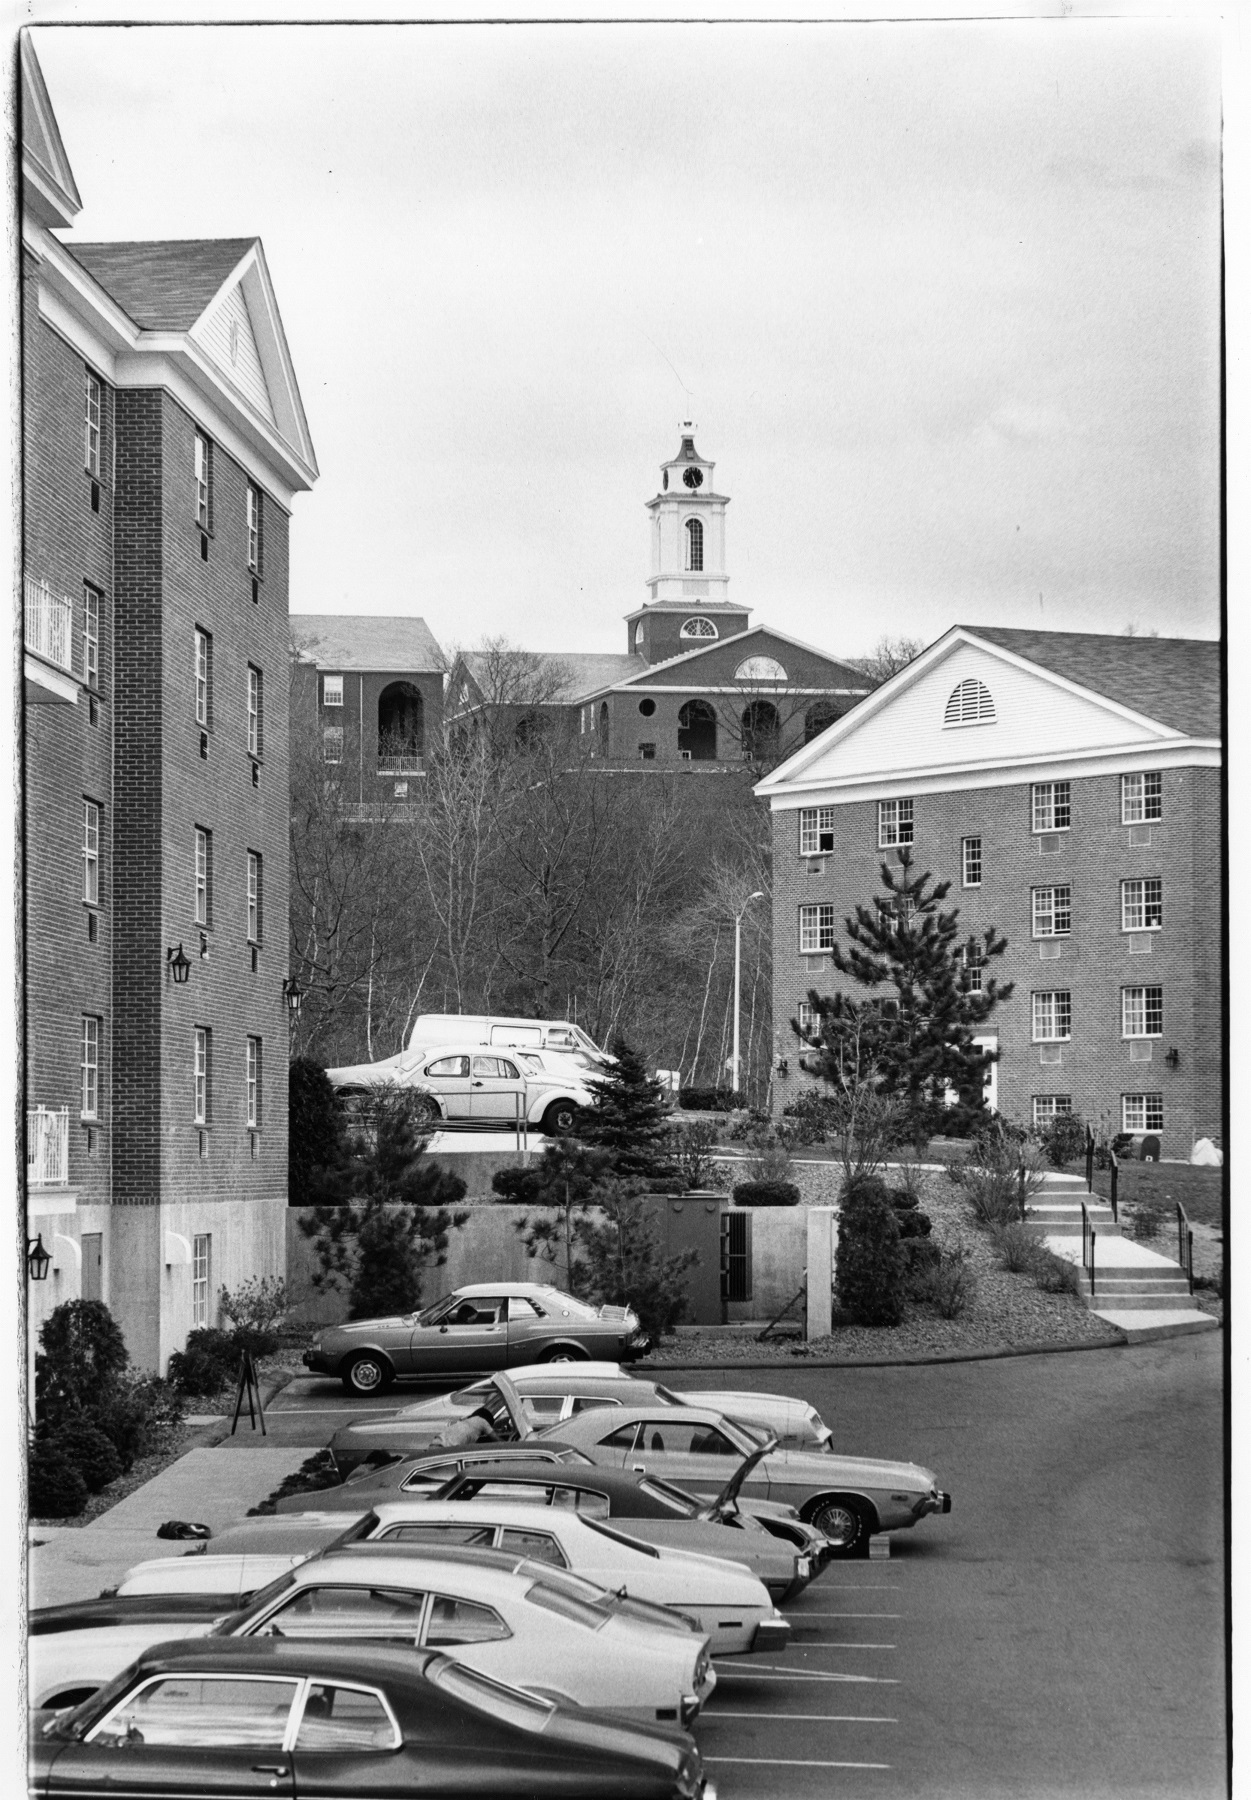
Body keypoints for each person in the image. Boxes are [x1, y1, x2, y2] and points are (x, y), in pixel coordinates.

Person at [432, 1404, 500, 1449]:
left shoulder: (466, 1421)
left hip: (435, 1444)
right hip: (445, 1449)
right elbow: (498, 1440)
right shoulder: (482, 1421)